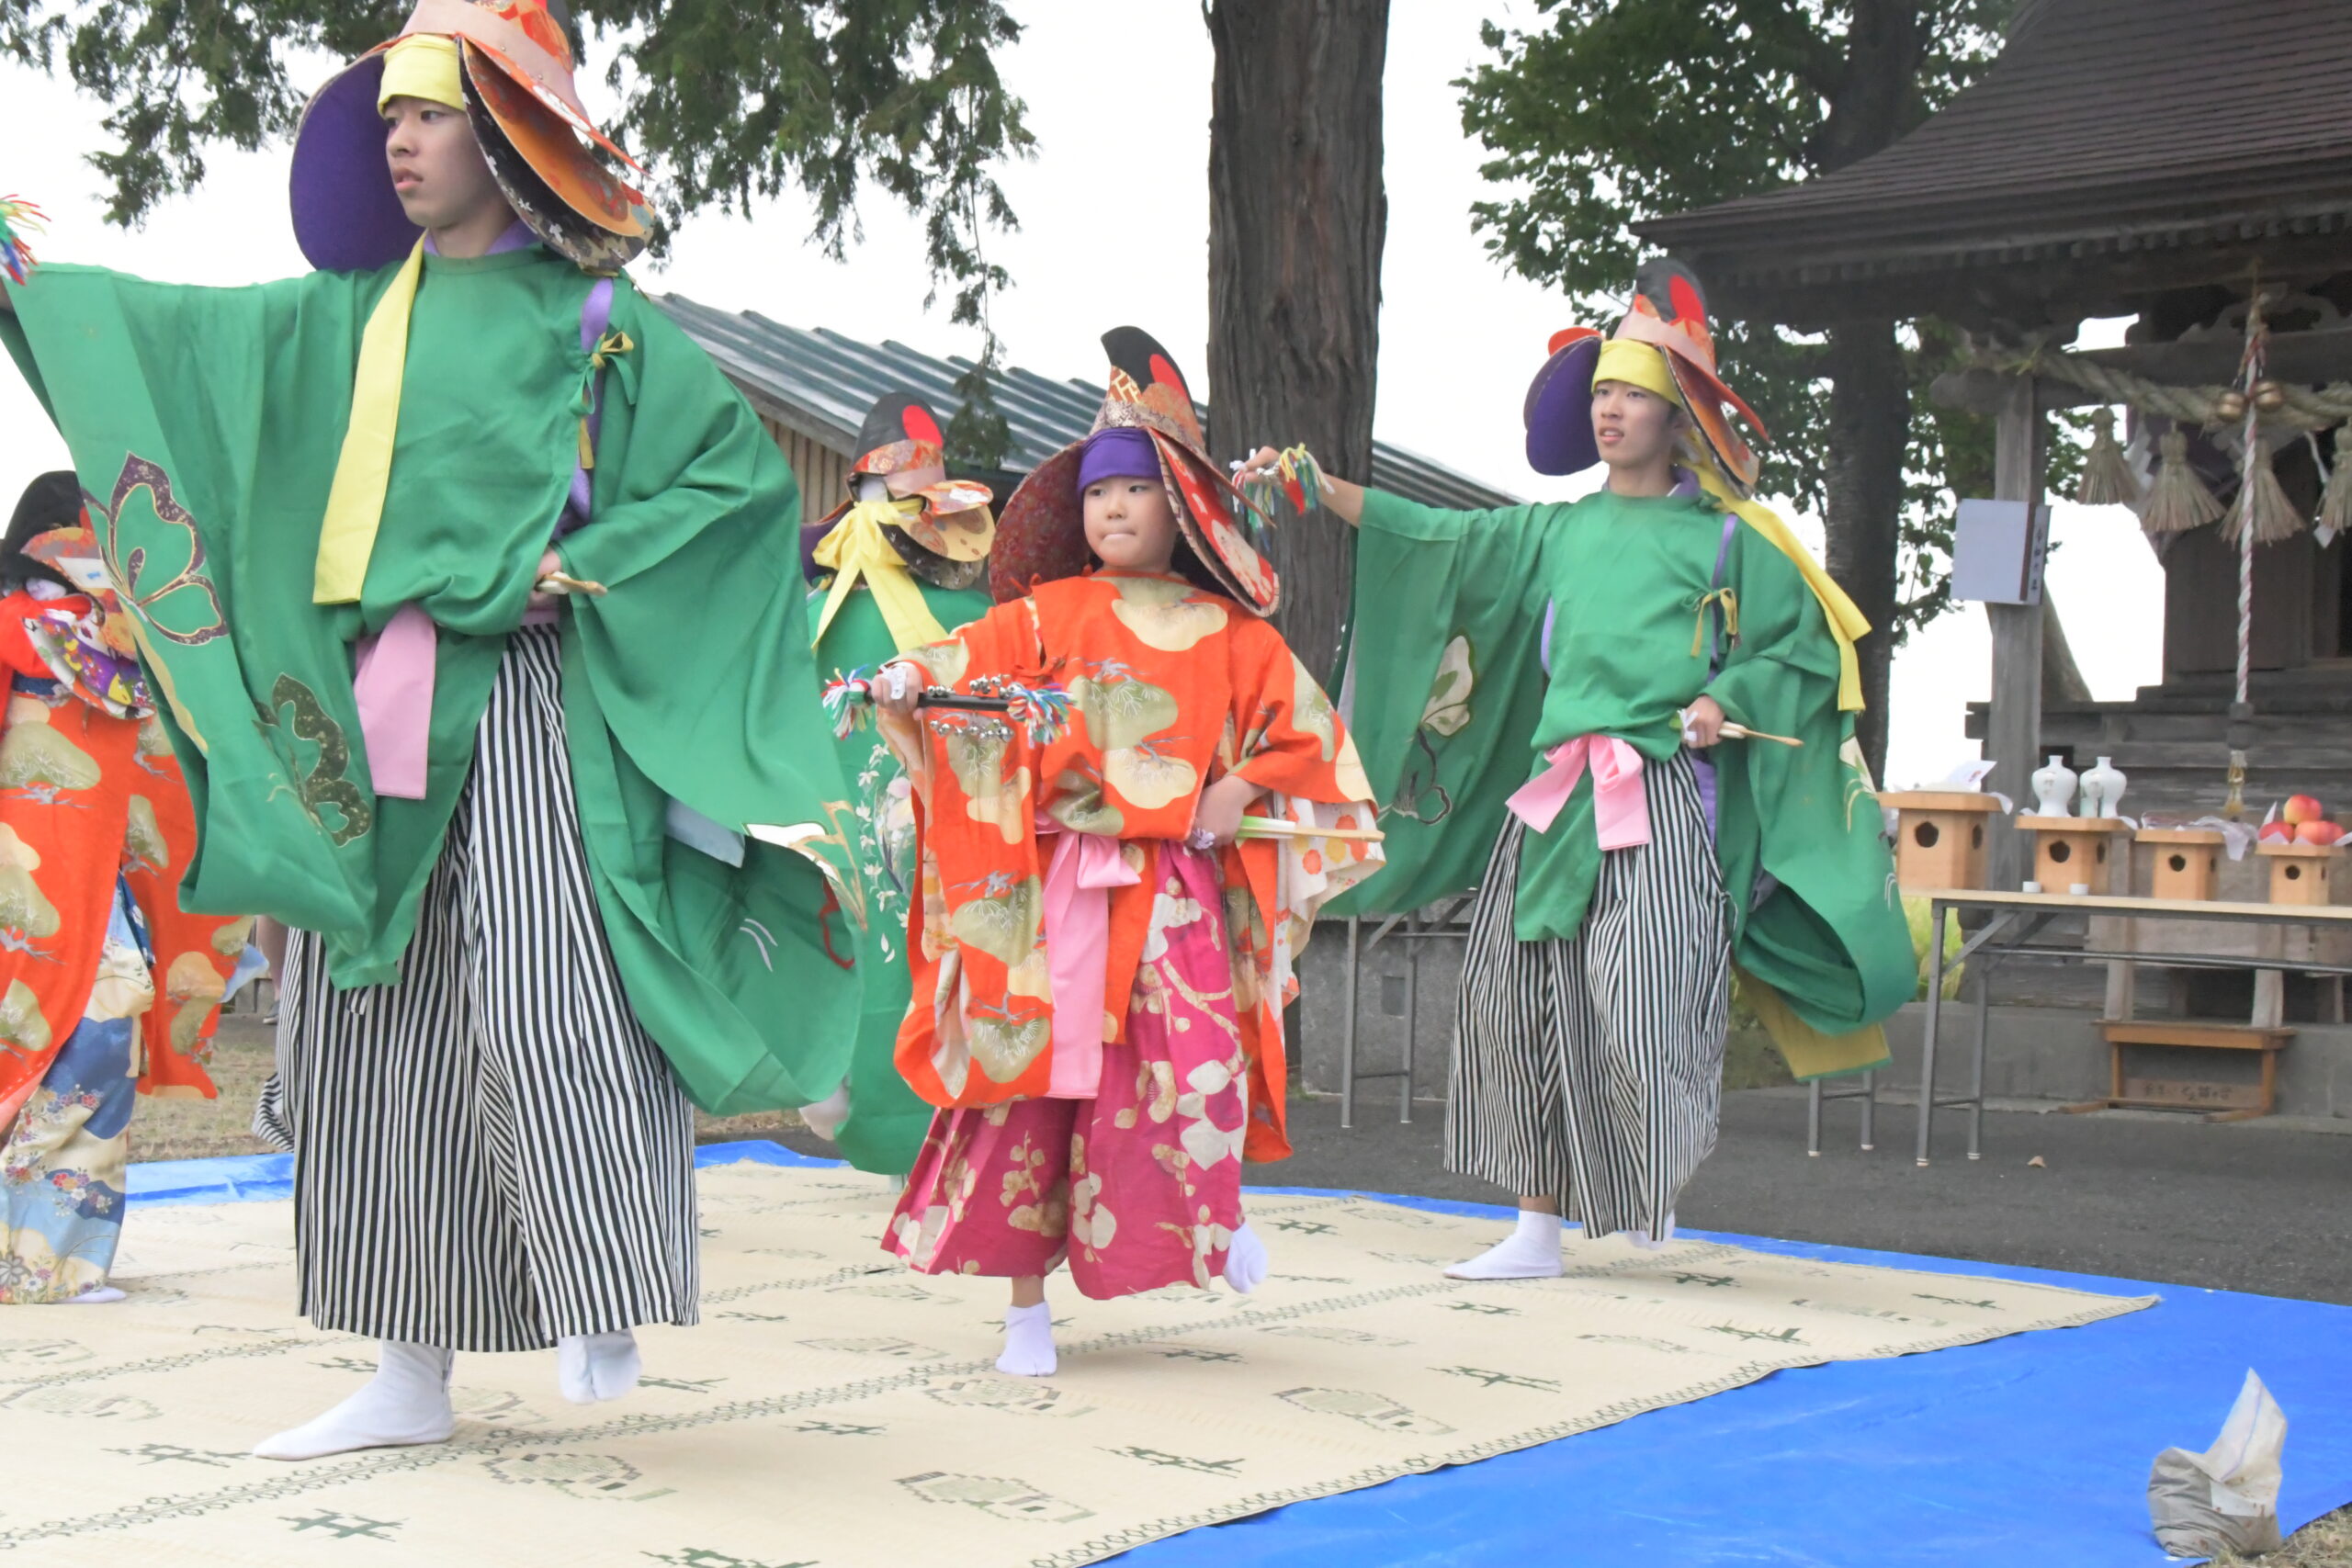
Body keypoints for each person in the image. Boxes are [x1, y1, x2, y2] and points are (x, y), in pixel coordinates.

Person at [1, 0, 858, 1456]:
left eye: (430, 113)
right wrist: (31, 278)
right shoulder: (343, 314)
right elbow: (178, 349)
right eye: (387, 115)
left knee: (552, 990)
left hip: (532, 703)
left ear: (513, 135)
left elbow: (737, 491)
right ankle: (406, 1365)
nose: (398, 140)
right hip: (374, 708)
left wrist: (577, 565)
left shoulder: (603, 322)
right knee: (372, 1023)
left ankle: (599, 1275)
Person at [1241, 262, 1911, 1280]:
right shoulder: (1554, 530)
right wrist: (1316, 486)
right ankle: (1534, 1225)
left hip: (1662, 795)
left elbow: (1805, 653)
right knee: (1517, 1000)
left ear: (1676, 413)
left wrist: (1720, 701)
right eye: (1600, 390)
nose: (1609, 408)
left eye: (1631, 392)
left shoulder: (1732, 540)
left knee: (1645, 995)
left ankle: (1644, 1188)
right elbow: (1440, 540)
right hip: (1552, 800)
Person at [867, 328, 1381, 1375]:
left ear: (1179, 508)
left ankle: (1210, 1212)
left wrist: (1235, 787)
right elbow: (963, 667)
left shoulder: (1234, 634)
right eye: (1097, 495)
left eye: (1133, 493)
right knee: (1032, 1095)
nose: (1110, 510)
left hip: (1176, 897)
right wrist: (910, 681)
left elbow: (1308, 738)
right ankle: (1022, 1314)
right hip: (1060, 887)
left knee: (1188, 1078)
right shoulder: (1045, 613)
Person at [0, 473, 254, 1305]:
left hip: (96, 869)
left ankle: (49, 1259)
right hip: (21, 869)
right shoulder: (12, 623)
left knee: (108, 1024)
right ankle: (34, 1257)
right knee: (36, 1036)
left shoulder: (135, 643)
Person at [799, 393, 997, 1175]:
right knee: (888, 936)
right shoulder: (813, 614)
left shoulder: (981, 615)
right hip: (878, 821)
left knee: (901, 940)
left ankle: (870, 1099)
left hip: (916, 819)